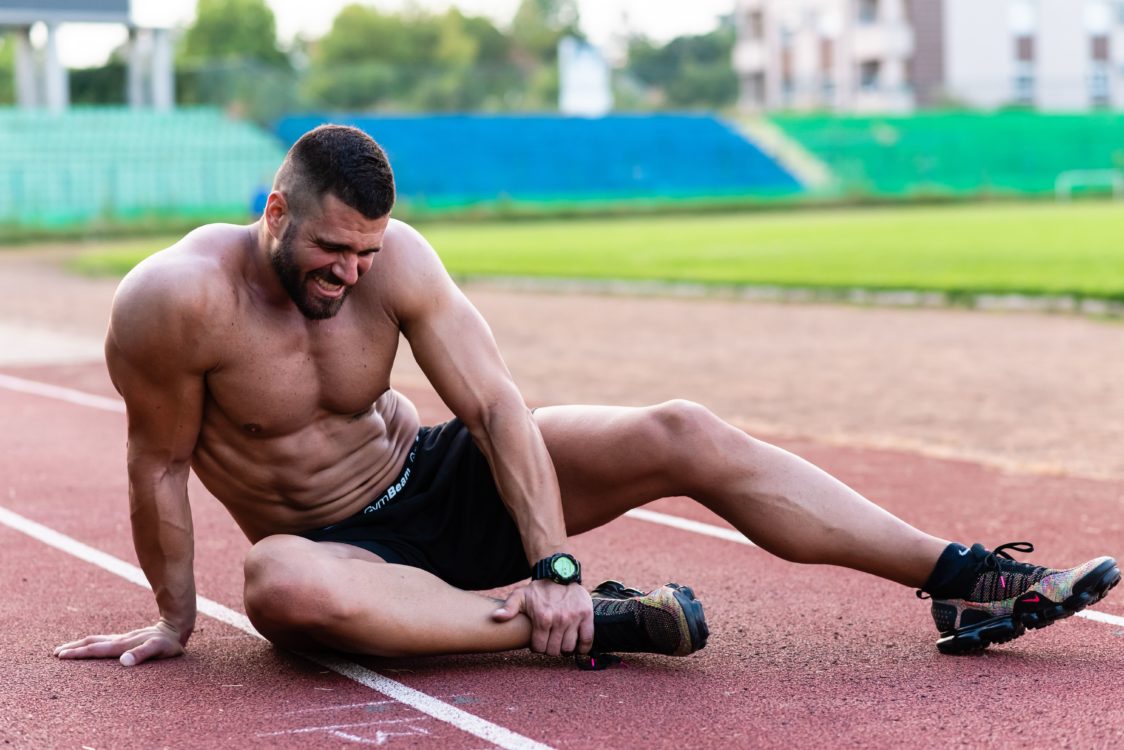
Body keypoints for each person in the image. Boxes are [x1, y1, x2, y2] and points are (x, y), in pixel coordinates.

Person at [54, 125, 1119, 669]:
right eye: (332, 249)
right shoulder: (175, 302)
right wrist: (175, 620)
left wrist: (552, 554)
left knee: (680, 430)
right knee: (280, 592)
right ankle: (573, 624)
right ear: (274, 211)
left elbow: (497, 407)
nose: (351, 273)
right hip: (338, 553)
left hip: (432, 477)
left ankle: (960, 579)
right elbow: (157, 462)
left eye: (368, 251)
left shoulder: (397, 261)